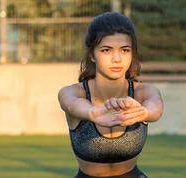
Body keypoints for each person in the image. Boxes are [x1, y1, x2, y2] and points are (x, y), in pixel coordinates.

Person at [57, 12, 164, 178]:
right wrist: (94, 113)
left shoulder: (144, 92)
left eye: (125, 50)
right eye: (106, 50)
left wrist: (144, 113)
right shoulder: (73, 92)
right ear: (92, 54)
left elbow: (155, 107)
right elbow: (71, 103)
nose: (116, 59)